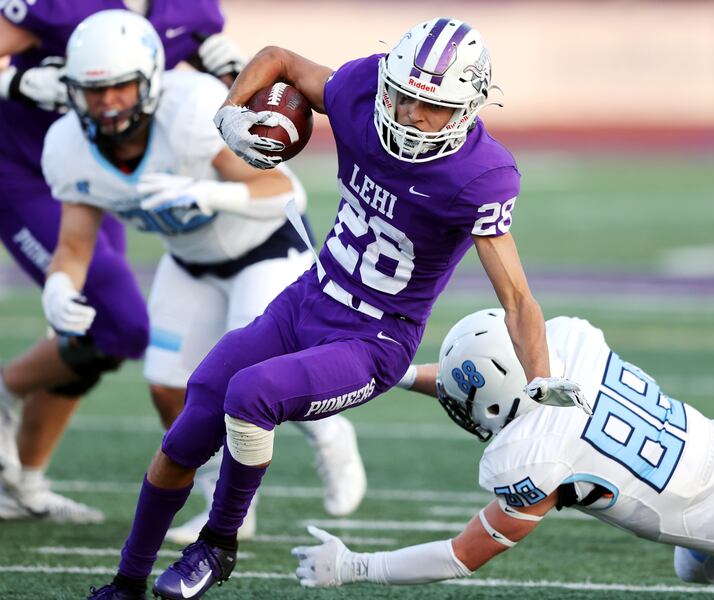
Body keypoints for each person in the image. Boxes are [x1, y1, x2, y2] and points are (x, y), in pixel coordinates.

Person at [87, 16, 588, 600]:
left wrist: (543, 380)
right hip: (309, 296)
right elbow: (277, 57)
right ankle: (126, 581)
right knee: (194, 417)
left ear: (470, 107)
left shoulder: (479, 176)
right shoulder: (361, 91)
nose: (410, 117)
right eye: (402, 97)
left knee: (252, 395)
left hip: (374, 339)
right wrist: (231, 111)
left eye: (434, 108)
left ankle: (219, 543)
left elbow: (517, 298)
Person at [23, 9, 367, 548]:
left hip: (265, 248)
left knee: (251, 378)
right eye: (94, 92)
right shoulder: (67, 144)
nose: (108, 103)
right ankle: (217, 499)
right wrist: (59, 287)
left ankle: (327, 430)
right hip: (189, 261)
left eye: (119, 88)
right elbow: (73, 244)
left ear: (150, 82)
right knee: (167, 383)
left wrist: (209, 192)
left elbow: (285, 194)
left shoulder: (190, 112)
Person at [292, 308, 714, 589]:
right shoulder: (567, 350)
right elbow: (491, 386)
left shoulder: (542, 463)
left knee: (699, 555)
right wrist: (395, 374)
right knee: (693, 566)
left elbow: (460, 557)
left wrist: (353, 566)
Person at [0, 0, 246, 522]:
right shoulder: (54, 6)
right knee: (123, 324)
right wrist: (13, 86)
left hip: (101, 171)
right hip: (25, 169)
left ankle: (24, 484)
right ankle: (4, 391)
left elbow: (193, 85)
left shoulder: (193, 9)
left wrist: (236, 72)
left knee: (95, 337)